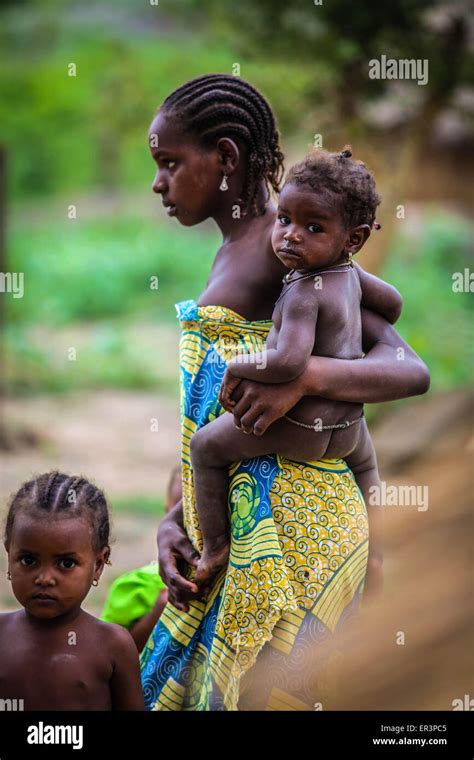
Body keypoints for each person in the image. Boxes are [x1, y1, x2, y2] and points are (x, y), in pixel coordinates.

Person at [140, 74, 430, 711]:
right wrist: (173, 518)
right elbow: (207, 412)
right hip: (242, 514)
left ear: (226, 158)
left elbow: (409, 367)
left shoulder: (291, 244)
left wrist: (305, 376)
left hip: (294, 522)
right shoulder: (256, 245)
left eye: (169, 163)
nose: (158, 183)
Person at [190, 146, 397, 588]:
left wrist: (237, 367)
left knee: (206, 448)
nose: (291, 236)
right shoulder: (350, 275)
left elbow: (287, 362)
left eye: (313, 227)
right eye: (284, 219)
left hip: (300, 427)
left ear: (353, 238)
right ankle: (376, 552)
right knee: (368, 469)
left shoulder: (304, 291)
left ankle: (214, 548)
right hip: (348, 429)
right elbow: (394, 304)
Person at [0, 471, 144, 710]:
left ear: (98, 564)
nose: (44, 579)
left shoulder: (113, 645)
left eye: (66, 563)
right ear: (9, 555)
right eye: (28, 560)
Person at [101, 464, 181, 652]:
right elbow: (112, 654)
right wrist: (159, 610)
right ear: (167, 511)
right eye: (181, 512)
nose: (195, 521)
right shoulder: (136, 588)